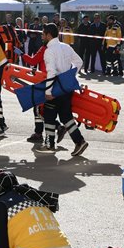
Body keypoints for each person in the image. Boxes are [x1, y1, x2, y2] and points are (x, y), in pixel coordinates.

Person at [34, 24, 88, 156]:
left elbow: (51, 72)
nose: (42, 37)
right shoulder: (66, 47)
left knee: (49, 116)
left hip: (55, 89)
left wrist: (48, 92)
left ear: (48, 35)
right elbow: (79, 62)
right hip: (66, 88)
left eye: (43, 34)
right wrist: (69, 76)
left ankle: (49, 145)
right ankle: (79, 141)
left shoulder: (49, 51)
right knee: (66, 116)